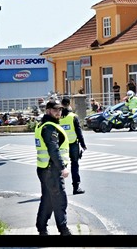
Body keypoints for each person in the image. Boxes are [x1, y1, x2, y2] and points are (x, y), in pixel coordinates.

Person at [34, 100, 72, 236]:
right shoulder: (49, 127)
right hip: (52, 170)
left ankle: (42, 228)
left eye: (60, 110)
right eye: (55, 110)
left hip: (44, 168)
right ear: (48, 110)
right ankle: (64, 230)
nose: (58, 112)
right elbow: (53, 150)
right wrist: (63, 167)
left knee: (48, 200)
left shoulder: (43, 125)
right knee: (59, 200)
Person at [59, 97, 87, 195]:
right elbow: (79, 132)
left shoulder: (58, 117)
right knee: (74, 164)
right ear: (69, 104)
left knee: (62, 166)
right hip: (73, 144)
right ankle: (76, 187)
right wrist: (83, 144)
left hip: (62, 146)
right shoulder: (73, 116)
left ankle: (59, 188)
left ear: (61, 104)